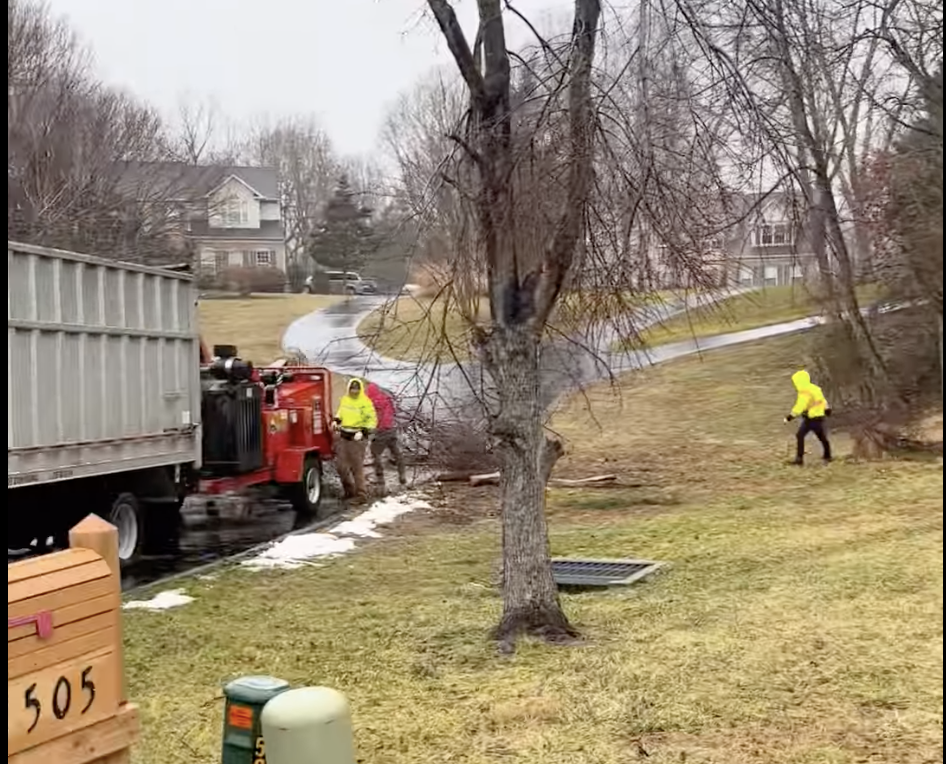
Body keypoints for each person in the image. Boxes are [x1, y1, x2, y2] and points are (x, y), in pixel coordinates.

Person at [333, 378, 377, 503]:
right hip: (344, 435)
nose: (354, 391)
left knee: (356, 467)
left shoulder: (365, 403)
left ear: (360, 389)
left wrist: (364, 431)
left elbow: (372, 420)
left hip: (358, 437)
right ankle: (349, 492)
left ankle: (361, 495)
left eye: (356, 389)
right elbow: (341, 412)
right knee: (341, 467)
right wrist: (336, 420)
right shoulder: (345, 400)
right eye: (352, 389)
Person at [784, 369, 832, 465]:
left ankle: (799, 459)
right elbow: (822, 400)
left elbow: (800, 406)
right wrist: (827, 409)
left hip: (811, 418)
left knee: (801, 435)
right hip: (817, 417)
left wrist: (789, 417)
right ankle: (828, 455)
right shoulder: (815, 389)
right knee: (821, 437)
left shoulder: (804, 392)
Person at [365, 382, 407, 490]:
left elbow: (372, 416)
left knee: (375, 452)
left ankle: (380, 478)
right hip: (391, 428)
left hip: (381, 430)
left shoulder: (372, 401)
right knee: (396, 453)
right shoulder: (387, 397)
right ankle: (402, 475)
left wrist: (372, 429)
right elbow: (394, 411)